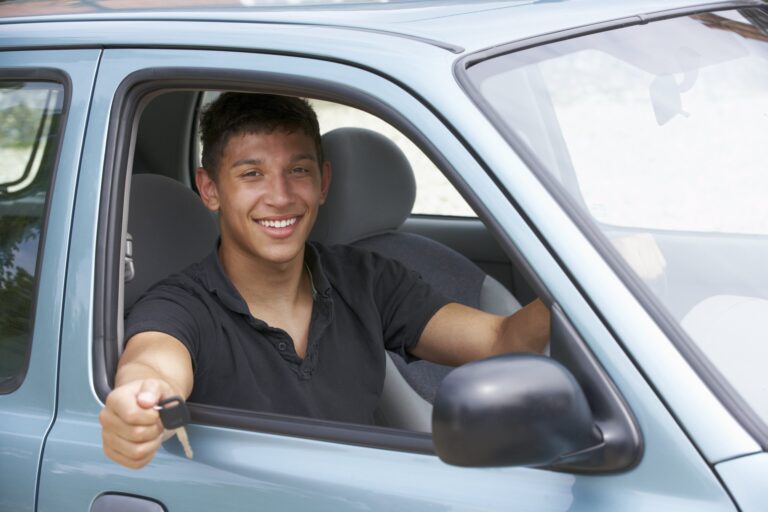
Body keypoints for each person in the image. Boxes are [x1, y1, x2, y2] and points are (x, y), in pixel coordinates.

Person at [99, 92, 550, 469]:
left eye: (298, 171)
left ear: (323, 181)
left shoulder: (365, 278)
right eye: (252, 173)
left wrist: (591, 290)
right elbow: (153, 366)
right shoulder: (180, 306)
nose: (280, 197)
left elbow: (500, 340)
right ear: (210, 189)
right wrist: (141, 402)